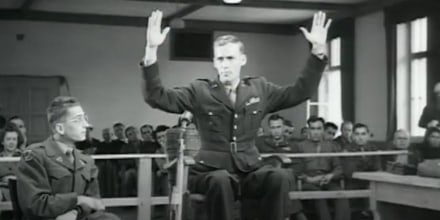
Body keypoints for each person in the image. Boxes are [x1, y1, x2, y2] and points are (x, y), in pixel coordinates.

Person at [140, 10, 331, 220]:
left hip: (249, 170)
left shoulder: (260, 89)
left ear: (242, 60)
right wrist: (151, 49)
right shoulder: (199, 91)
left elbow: (300, 92)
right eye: (220, 59)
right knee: (221, 180)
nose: (225, 64)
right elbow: (156, 97)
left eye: (230, 58)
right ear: (214, 62)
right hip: (209, 172)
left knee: (279, 176)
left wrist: (318, 52)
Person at [15, 96, 120, 220]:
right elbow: (35, 204)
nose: (86, 125)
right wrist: (77, 199)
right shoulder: (35, 156)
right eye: (78, 120)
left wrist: (76, 211)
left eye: (85, 119)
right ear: (60, 128)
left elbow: (94, 202)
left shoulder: (86, 161)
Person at [293, 116, 350, 220]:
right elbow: (296, 170)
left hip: (327, 180)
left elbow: (339, 167)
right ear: (308, 130)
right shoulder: (299, 146)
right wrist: (308, 179)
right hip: (308, 182)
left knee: (341, 195)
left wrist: (331, 175)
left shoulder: (331, 146)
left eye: (318, 128)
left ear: (323, 129)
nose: (316, 132)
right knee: (320, 197)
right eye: (313, 128)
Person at [0, 124, 23, 202]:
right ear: (2, 141)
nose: (11, 142)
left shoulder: (24, 157)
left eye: (14, 139)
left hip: (20, 190)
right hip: (2, 190)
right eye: (8, 139)